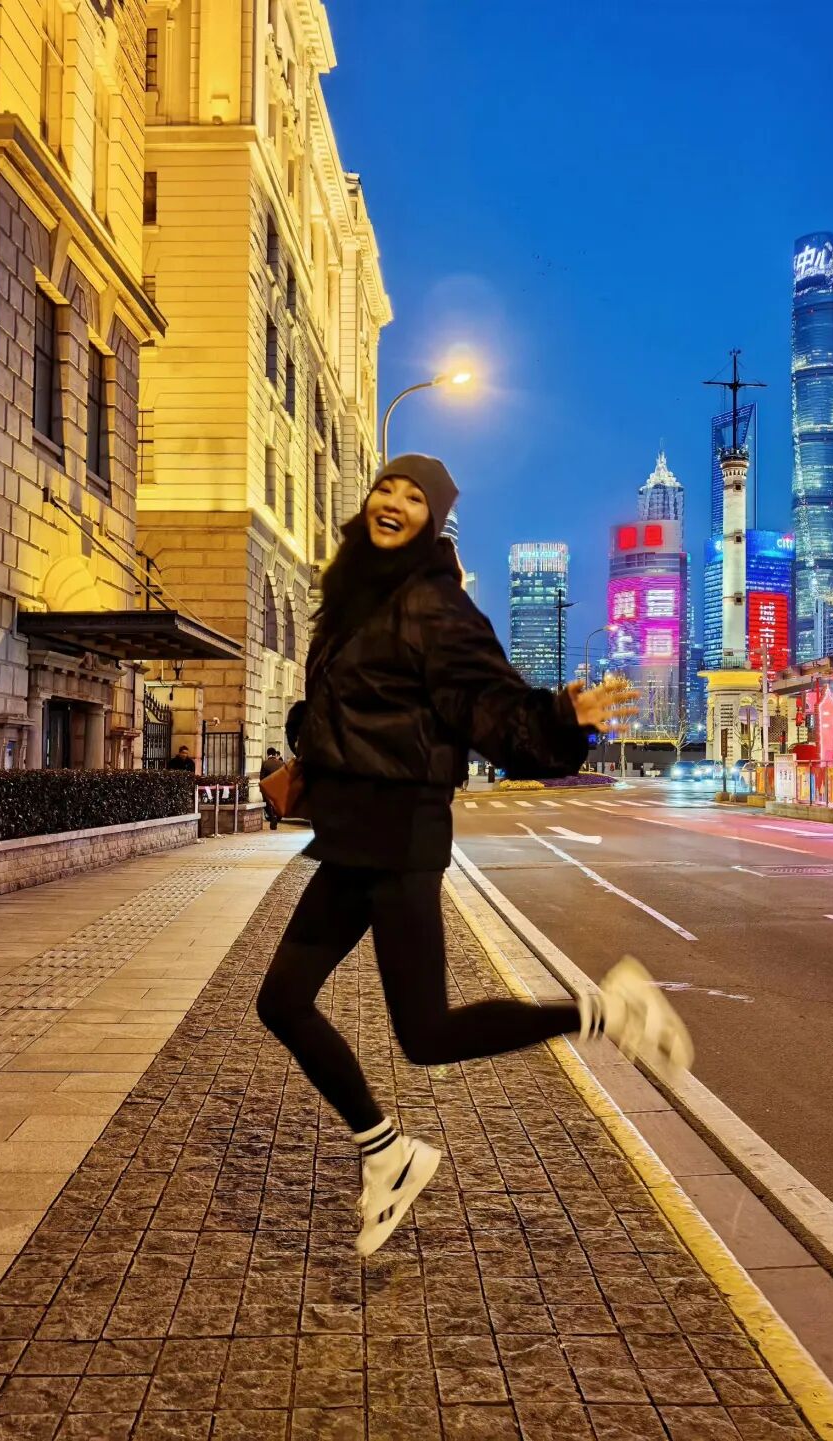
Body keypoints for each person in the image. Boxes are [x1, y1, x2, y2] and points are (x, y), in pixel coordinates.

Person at [255, 455, 692, 1256]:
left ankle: (607, 1011)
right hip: (353, 832)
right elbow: (353, 701)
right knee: (282, 1001)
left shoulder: (433, 603)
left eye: (414, 497)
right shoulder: (355, 593)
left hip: (399, 833)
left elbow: (490, 705)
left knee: (426, 1033)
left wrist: (561, 715)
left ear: (433, 520)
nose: (394, 501)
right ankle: (386, 1151)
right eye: (386, 487)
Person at [260, 746, 285, 830]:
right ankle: (277, 817)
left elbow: (262, 778)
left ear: (268, 754)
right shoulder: (282, 763)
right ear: (275, 754)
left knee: (268, 803)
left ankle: (272, 816)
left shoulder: (265, 763)